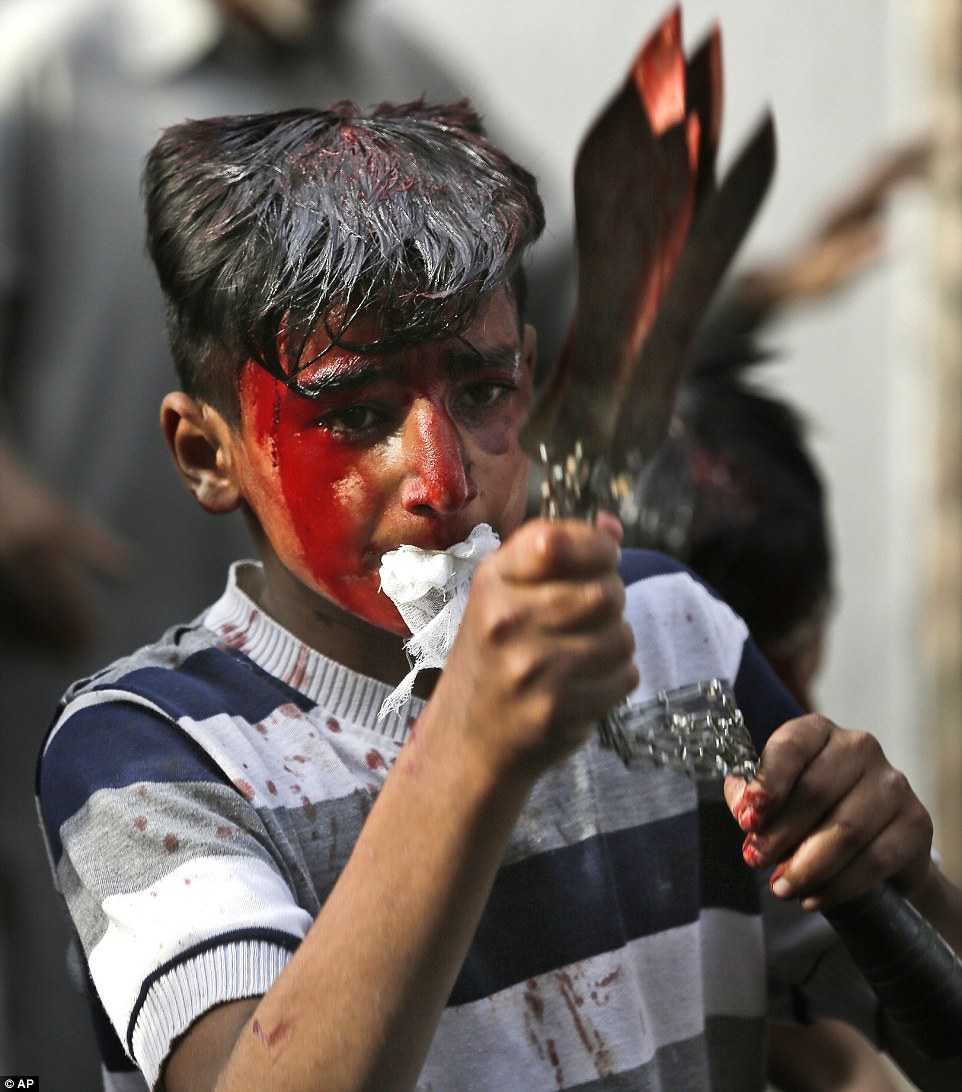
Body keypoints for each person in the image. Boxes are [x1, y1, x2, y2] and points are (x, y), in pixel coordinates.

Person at [36, 102, 961, 1092]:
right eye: (354, 415)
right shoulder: (146, 753)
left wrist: (899, 885)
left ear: (527, 379)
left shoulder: (662, 635)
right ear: (205, 453)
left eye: (479, 395)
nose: (443, 482)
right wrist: (468, 750)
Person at [0, 1, 467, 1082]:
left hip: (330, 672)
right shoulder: (54, 74)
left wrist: (728, 289)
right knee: (89, 989)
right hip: (85, 639)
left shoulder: (388, 60)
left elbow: (554, 272)